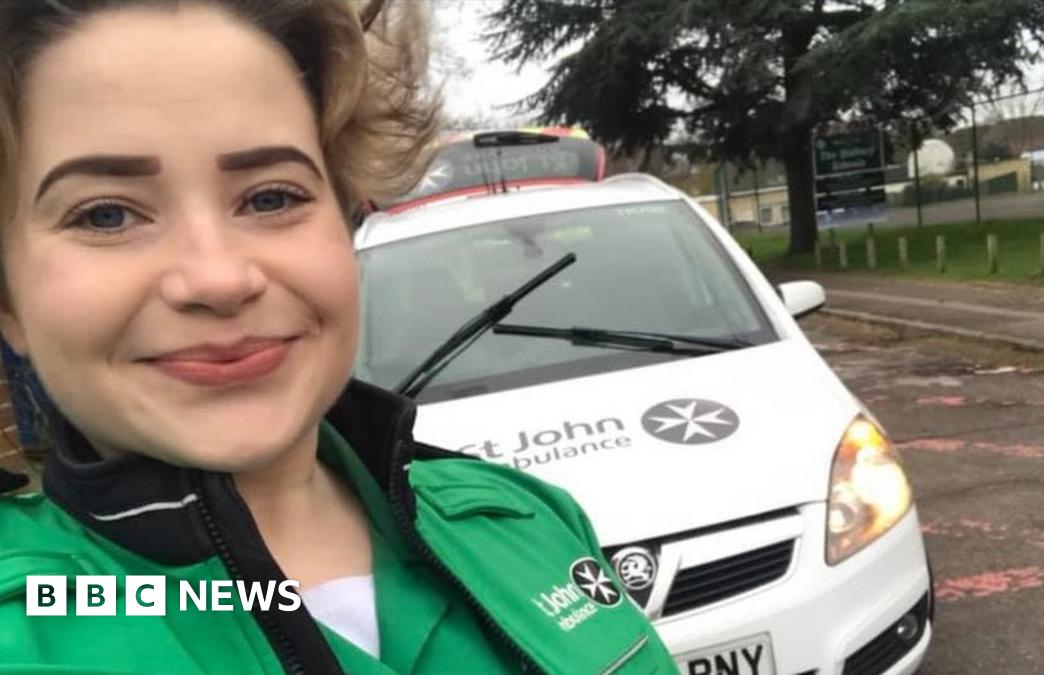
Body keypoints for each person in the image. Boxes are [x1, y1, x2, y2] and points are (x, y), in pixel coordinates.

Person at [0, 1, 675, 672]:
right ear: (10, 303)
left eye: (271, 197)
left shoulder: (525, 517)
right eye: (106, 215)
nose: (220, 278)